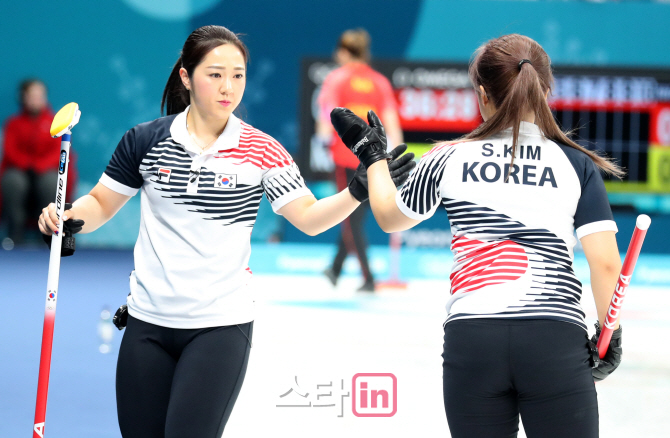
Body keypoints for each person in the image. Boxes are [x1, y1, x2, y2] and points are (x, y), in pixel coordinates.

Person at [38, 25, 414, 438]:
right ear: (186, 76)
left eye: (238, 75)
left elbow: (308, 217)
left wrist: (356, 191)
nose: (228, 87)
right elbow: (100, 205)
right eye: (215, 74)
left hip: (219, 327)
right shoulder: (145, 141)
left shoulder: (263, 150)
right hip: (148, 323)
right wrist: (66, 215)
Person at [330, 34, 624, 438]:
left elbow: (388, 216)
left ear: (482, 95)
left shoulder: (447, 156)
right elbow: (606, 263)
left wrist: (372, 155)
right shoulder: (575, 164)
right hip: (553, 339)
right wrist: (611, 335)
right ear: (545, 90)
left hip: (473, 339)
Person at [317, 28, 403, 292]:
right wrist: (394, 155)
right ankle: (335, 268)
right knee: (353, 216)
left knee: (350, 218)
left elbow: (327, 116)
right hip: (375, 159)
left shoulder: (336, 78)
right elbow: (391, 121)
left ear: (343, 51)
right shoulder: (379, 81)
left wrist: (323, 139)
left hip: (345, 156)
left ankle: (368, 278)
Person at [1, 79, 77, 245]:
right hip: (21, 173)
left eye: (40, 95)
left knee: (51, 182)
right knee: (13, 181)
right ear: (23, 97)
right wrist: (27, 165)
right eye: (32, 95)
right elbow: (10, 150)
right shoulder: (13, 124)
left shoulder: (56, 123)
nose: (37, 99)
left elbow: (59, 152)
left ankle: (48, 233)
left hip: (45, 173)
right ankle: (15, 233)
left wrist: (39, 166)